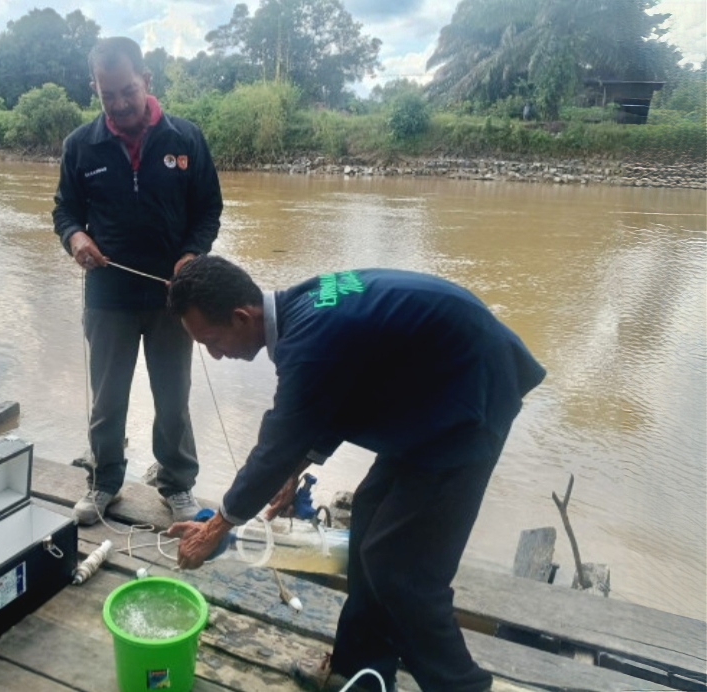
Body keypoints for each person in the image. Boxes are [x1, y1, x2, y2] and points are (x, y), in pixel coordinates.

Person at [165, 255, 546, 692]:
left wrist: (217, 527)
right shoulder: (301, 308)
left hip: (468, 400)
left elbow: (274, 448)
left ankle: (462, 686)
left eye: (212, 341)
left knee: (403, 571)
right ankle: (360, 673)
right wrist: (296, 470)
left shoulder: (308, 342)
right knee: (368, 518)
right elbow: (336, 397)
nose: (215, 355)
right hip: (430, 392)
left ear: (240, 316)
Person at [53, 37, 222, 526]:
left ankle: (176, 484)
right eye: (109, 95)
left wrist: (192, 256)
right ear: (95, 90)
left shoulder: (185, 139)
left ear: (146, 80)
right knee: (108, 401)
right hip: (108, 295)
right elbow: (64, 210)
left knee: (174, 397)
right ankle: (105, 481)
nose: (121, 103)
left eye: (128, 90)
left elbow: (208, 210)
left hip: (174, 296)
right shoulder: (80, 146)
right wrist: (75, 238)